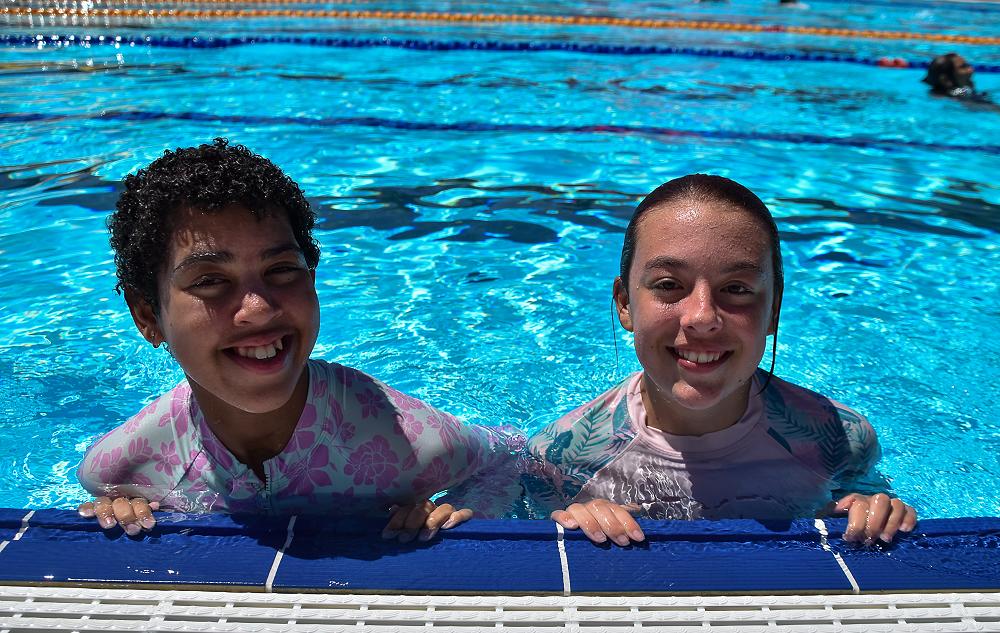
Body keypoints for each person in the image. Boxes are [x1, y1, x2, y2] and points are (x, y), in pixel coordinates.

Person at [77, 138, 523, 541]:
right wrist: (121, 514)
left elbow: (511, 456)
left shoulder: (403, 439)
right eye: (210, 280)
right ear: (147, 316)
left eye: (281, 270)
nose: (258, 308)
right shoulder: (121, 470)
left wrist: (461, 513)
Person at [522, 174, 917, 547]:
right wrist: (577, 525)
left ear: (773, 309)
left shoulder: (840, 439)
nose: (702, 317)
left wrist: (875, 513)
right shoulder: (562, 458)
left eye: (737, 288)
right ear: (625, 304)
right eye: (668, 285)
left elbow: (863, 503)